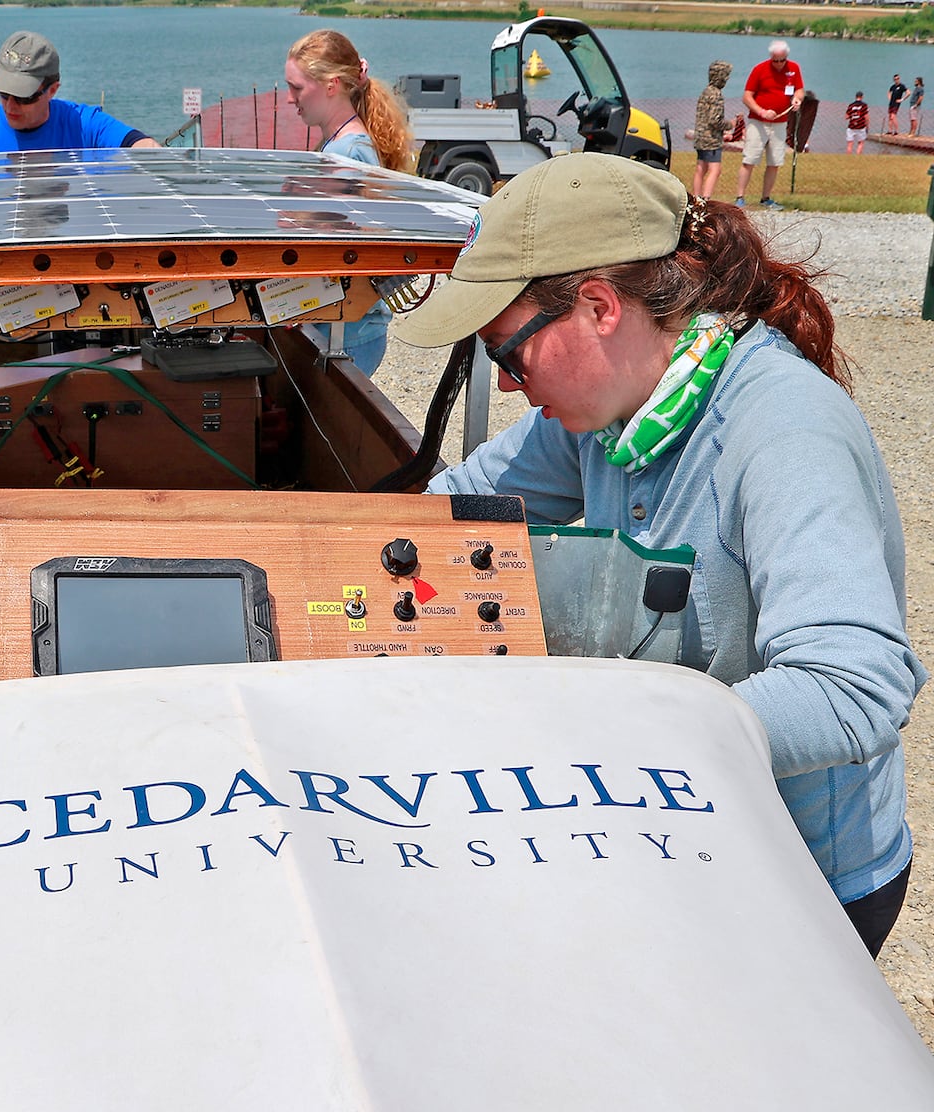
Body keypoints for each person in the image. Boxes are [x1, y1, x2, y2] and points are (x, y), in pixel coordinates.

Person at [393, 153, 926, 959]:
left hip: (802, 877)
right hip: (675, 832)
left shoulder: (783, 429)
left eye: (508, 353)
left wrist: (614, 728)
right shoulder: (600, 414)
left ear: (600, 307)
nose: (506, 385)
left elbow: (854, 685)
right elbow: (454, 506)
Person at [284, 29, 414, 377]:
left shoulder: (350, 154)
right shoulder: (341, 147)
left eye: (296, 87)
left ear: (331, 85)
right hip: (341, 326)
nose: (289, 98)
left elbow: (357, 244)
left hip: (347, 333)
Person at [0, 31, 161, 156]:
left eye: (24, 97)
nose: (10, 106)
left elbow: (144, 147)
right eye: (4, 93)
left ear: (52, 90)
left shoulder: (82, 124)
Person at [735, 40, 803, 211]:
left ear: (786, 57)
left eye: (782, 60)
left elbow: (799, 89)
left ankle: (766, 198)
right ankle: (740, 197)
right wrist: (762, 111)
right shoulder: (760, 69)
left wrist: (797, 99)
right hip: (758, 122)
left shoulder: (794, 68)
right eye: (775, 60)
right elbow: (747, 97)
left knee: (775, 161)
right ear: (771, 58)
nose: (779, 64)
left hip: (780, 122)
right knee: (749, 159)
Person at [691, 60, 733, 197]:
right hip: (711, 139)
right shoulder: (716, 95)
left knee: (700, 168)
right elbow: (715, 120)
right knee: (715, 169)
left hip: (700, 137)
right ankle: (706, 199)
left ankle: (696, 199)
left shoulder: (706, 91)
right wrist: (730, 125)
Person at [846, 91, 870, 155]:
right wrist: (867, 126)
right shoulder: (864, 105)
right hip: (861, 126)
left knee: (850, 144)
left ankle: (848, 158)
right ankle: (858, 156)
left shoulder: (851, 105)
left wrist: (852, 115)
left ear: (855, 97)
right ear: (862, 97)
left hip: (851, 126)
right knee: (861, 142)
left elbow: (846, 117)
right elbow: (866, 117)